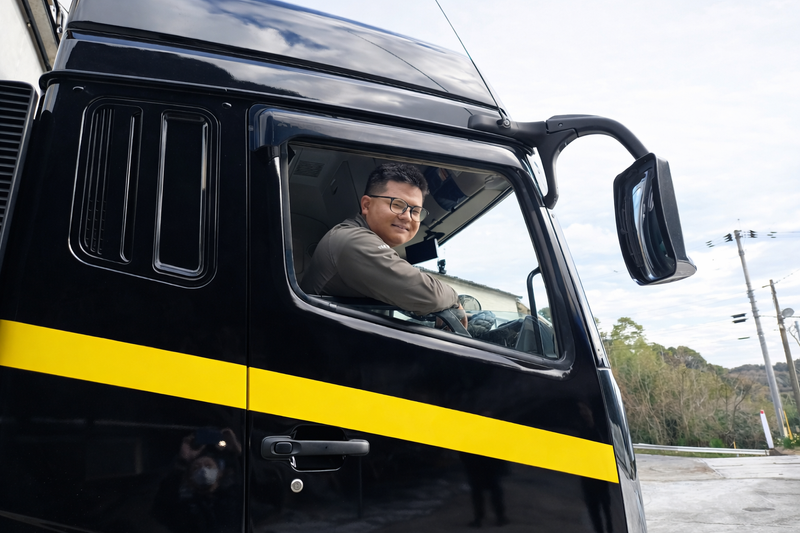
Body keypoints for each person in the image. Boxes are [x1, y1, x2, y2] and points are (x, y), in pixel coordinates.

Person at [300, 163, 465, 323]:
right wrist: (454, 299)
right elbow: (429, 296)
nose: (407, 217)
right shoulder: (353, 241)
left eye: (415, 211)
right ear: (366, 205)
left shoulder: (360, 240)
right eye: (398, 204)